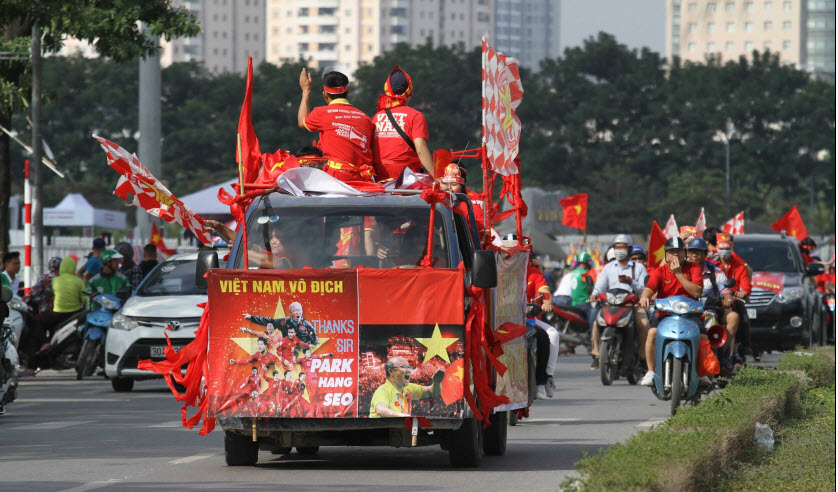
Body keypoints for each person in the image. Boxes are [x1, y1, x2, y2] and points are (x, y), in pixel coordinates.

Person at [639, 237, 704, 386]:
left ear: (685, 253)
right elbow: (649, 289)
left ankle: (701, 373)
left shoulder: (693, 268)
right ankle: (650, 371)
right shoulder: (659, 271)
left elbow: (696, 293)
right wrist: (645, 297)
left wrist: (679, 274)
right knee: (652, 334)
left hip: (690, 315)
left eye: (679, 252)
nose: (676, 255)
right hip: (666, 315)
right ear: (666, 255)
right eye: (672, 252)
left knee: (703, 338)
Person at [503, 235, 560, 399]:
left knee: (552, 334)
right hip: (503, 318)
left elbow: (545, 293)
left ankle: (544, 380)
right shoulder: (499, 270)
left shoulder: (534, 273)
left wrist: (546, 302)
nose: (514, 257)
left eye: (520, 253)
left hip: (528, 318)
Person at [298, 67, 375, 182]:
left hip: (336, 179)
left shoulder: (322, 113)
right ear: (347, 92)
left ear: (325, 95)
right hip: (362, 179)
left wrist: (306, 91)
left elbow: (302, 122)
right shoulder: (365, 118)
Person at [588, 235, 650, 372]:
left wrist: (631, 282)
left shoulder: (639, 268)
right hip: (612, 305)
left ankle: (643, 358)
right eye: (617, 247)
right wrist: (594, 294)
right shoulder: (608, 267)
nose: (619, 250)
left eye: (622, 247)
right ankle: (597, 355)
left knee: (644, 324)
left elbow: (645, 289)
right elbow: (600, 286)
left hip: (633, 305)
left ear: (629, 249)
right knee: (596, 323)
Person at [371, 66, 434, 180]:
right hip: (408, 179)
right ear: (410, 92)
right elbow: (420, 149)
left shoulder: (376, 117)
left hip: (381, 179)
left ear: (388, 91)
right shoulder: (416, 116)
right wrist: (436, 176)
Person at [686, 238, 739, 360]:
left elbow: (727, 294)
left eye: (698, 252)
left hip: (709, 309)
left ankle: (720, 355)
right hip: (686, 309)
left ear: (705, 254)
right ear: (687, 253)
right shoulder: (681, 270)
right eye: (692, 251)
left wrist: (727, 300)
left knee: (733, 317)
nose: (694, 255)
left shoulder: (715, 271)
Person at [710, 232, 753, 357]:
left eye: (727, 249)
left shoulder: (739, 265)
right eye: (721, 249)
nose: (724, 252)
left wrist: (743, 292)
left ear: (732, 248)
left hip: (731, 298)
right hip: (712, 299)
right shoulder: (711, 264)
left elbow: (745, 285)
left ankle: (741, 347)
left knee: (740, 314)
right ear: (716, 249)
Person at [369, 356, 444, 417]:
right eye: (404, 367)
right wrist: (406, 418)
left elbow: (432, 392)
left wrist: (436, 382)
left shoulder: (408, 388)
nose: (409, 370)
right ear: (391, 371)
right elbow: (380, 410)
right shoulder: (383, 390)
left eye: (409, 367)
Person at [243, 301, 319, 347]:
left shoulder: (307, 325)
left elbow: (315, 340)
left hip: (302, 351)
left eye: (299, 310)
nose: (298, 313)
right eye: (295, 311)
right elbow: (269, 321)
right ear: (290, 312)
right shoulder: (284, 322)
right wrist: (252, 317)